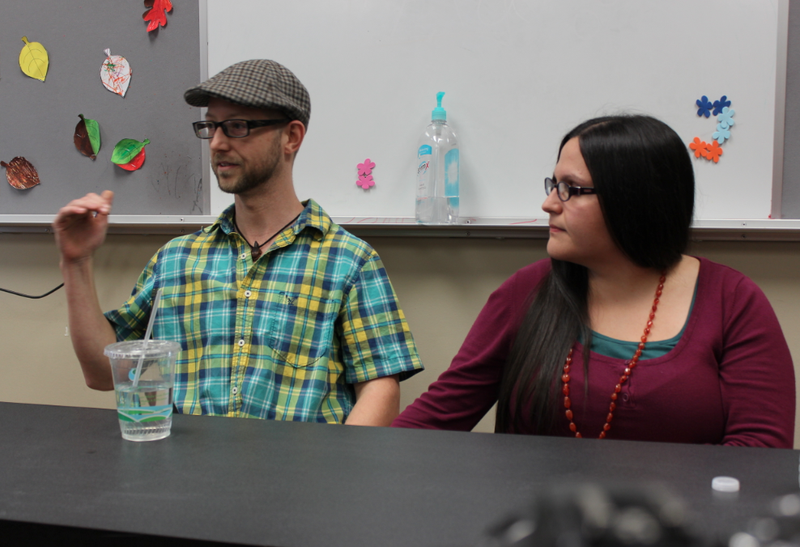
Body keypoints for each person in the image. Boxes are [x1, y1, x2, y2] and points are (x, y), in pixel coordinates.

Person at [54, 59, 423, 426]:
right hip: (184, 478)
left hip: (301, 478)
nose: (216, 143)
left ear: (291, 137)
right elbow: (103, 374)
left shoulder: (349, 261)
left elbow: (380, 389)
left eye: (236, 127)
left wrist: (334, 481)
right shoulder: (176, 260)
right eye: (210, 126)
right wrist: (76, 262)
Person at [392, 115, 796, 447]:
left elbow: (756, 457)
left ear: (633, 200)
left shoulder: (732, 301)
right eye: (554, 185)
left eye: (571, 189)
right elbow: (434, 421)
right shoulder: (525, 292)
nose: (549, 203)